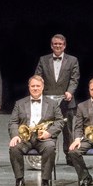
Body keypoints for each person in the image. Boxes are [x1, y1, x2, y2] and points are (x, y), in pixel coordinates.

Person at [8, 75, 65, 186]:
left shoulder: (53, 103)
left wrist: (48, 133)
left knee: (50, 147)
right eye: (33, 86)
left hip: (44, 138)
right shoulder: (19, 103)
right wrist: (15, 136)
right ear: (29, 87)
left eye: (38, 86)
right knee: (14, 148)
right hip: (25, 138)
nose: (35, 88)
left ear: (43, 87)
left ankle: (45, 180)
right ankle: (19, 179)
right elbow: (13, 122)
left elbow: (60, 121)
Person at [34, 34, 80, 162]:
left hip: (66, 101)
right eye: (55, 44)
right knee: (46, 128)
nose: (57, 46)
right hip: (47, 102)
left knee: (68, 131)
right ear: (51, 45)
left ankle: (70, 156)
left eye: (60, 44)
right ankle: (47, 155)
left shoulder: (73, 60)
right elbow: (38, 77)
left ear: (64, 46)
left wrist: (70, 92)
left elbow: (74, 79)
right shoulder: (43, 60)